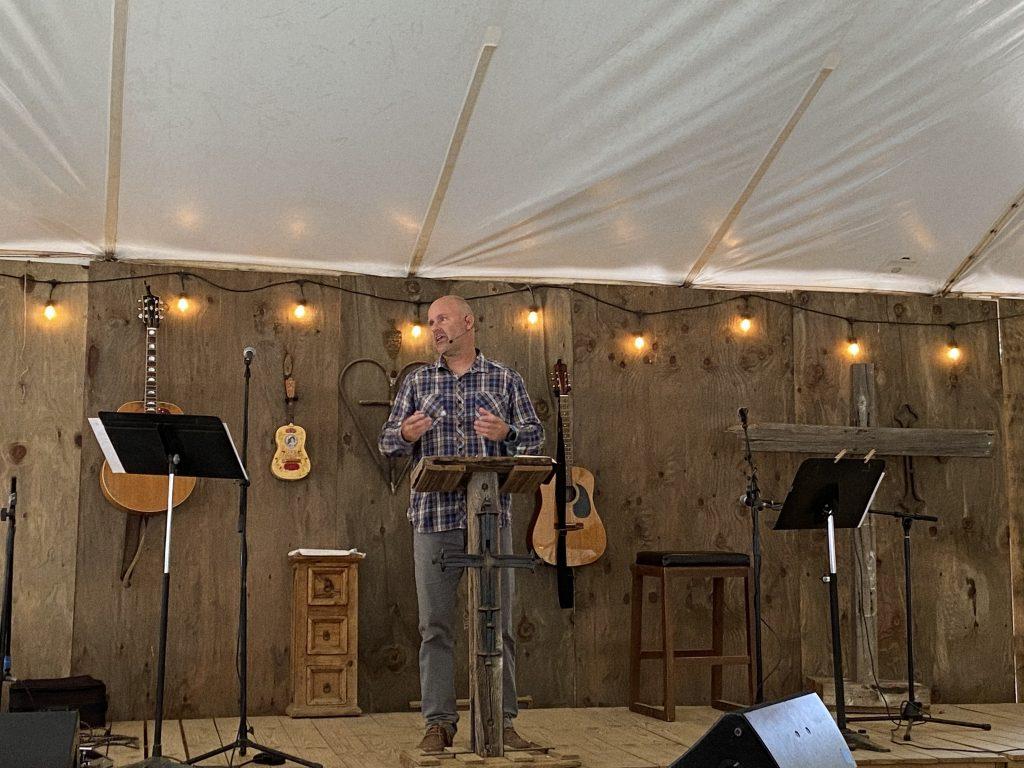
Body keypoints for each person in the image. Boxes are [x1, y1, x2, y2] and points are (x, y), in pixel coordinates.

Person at [379, 295, 544, 753]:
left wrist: (506, 434)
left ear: (468, 322)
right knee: (436, 626)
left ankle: (502, 720)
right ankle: (439, 724)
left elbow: (536, 436)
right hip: (434, 520)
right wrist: (406, 434)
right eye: (431, 322)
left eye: (443, 319)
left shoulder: (505, 379)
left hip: (491, 518)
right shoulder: (417, 382)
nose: (435, 328)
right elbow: (388, 442)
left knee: (500, 623)